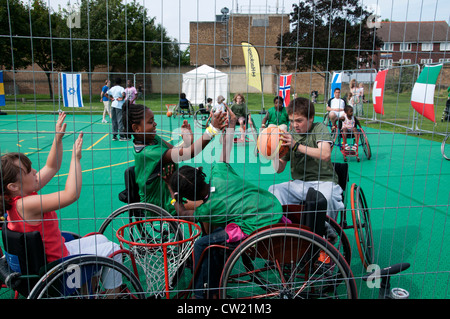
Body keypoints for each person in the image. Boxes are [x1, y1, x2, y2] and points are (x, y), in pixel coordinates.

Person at [165, 106, 283, 299]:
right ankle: (215, 279)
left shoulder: (209, 208)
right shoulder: (219, 171)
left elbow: (182, 213)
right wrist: (233, 124)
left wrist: (171, 189)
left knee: (203, 243)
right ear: (200, 174)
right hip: (271, 208)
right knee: (217, 237)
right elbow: (226, 146)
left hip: (257, 226)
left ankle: (200, 294)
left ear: (188, 196)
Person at [0, 112, 123, 296]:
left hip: (54, 257)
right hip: (57, 269)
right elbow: (70, 194)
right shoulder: (26, 205)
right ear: (13, 186)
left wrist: (58, 139)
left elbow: (52, 167)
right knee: (114, 249)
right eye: (28, 171)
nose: (34, 171)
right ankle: (112, 293)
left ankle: (89, 288)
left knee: (101, 239)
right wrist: (75, 159)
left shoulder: (17, 199)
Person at [122, 101, 227, 216]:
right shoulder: (148, 153)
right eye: (150, 122)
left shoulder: (152, 139)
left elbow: (176, 151)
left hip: (171, 191)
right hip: (161, 201)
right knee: (212, 205)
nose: (155, 124)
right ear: (136, 128)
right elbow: (187, 154)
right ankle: (209, 233)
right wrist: (212, 130)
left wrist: (187, 141)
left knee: (213, 197)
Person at [269, 97, 345, 224]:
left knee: (328, 197)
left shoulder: (318, 128)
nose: (294, 125)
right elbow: (279, 169)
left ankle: (327, 232)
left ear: (311, 118)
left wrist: (296, 146)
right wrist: (273, 154)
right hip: (299, 183)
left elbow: (325, 154)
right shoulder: (289, 135)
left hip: (324, 182)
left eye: (299, 121)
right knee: (274, 190)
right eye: (292, 121)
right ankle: (284, 229)